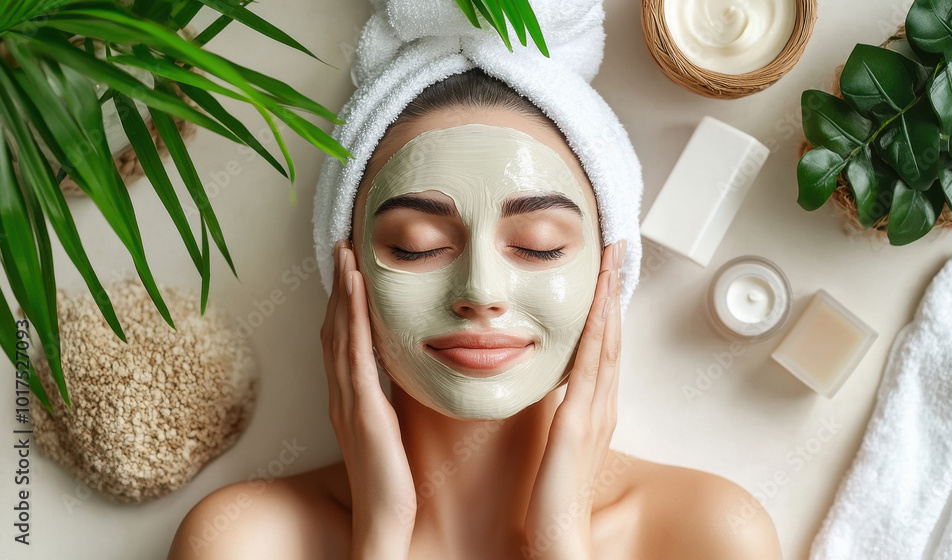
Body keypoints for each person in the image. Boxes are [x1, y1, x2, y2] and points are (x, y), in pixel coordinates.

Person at [166, 69, 782, 560]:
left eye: (540, 245)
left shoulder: (709, 538)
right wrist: (380, 537)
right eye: (416, 244)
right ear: (344, 276)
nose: (481, 291)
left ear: (609, 273)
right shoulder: (244, 541)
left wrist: (561, 541)